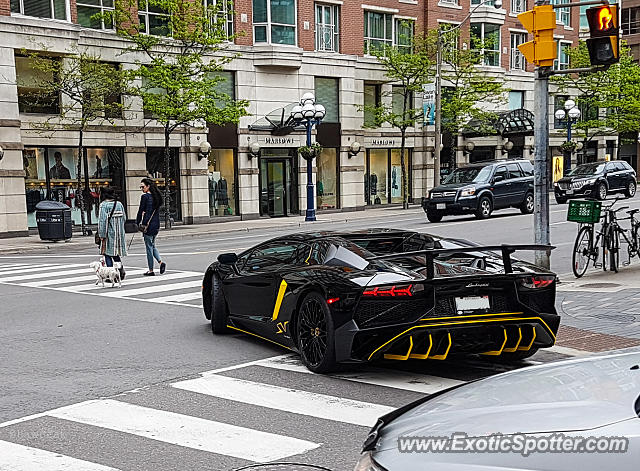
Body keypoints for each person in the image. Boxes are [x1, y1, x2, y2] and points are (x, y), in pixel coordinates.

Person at [136, 178, 165, 276]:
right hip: (156, 224)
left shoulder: (145, 197)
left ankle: (151, 270)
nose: (142, 189)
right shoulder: (156, 197)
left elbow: (141, 210)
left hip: (147, 225)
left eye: (143, 186)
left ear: (148, 186)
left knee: (149, 247)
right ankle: (160, 262)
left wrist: (137, 222)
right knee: (152, 245)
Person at [97, 187, 127, 280]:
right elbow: (124, 218)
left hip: (109, 233)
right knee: (115, 254)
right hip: (119, 233)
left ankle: (112, 275)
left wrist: (101, 235)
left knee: (107, 254)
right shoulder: (119, 204)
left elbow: (102, 222)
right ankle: (121, 271)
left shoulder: (104, 205)